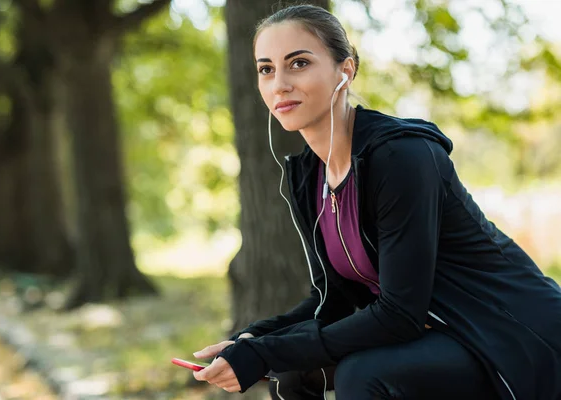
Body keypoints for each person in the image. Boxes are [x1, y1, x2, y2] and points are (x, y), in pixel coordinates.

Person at [191, 4, 561, 399]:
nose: (279, 84)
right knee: (293, 372)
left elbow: (399, 314)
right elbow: (329, 302)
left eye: (298, 63)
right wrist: (251, 340)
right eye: (266, 68)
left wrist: (263, 353)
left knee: (362, 374)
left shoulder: (401, 157)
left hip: (507, 334)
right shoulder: (309, 177)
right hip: (442, 334)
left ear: (345, 71)